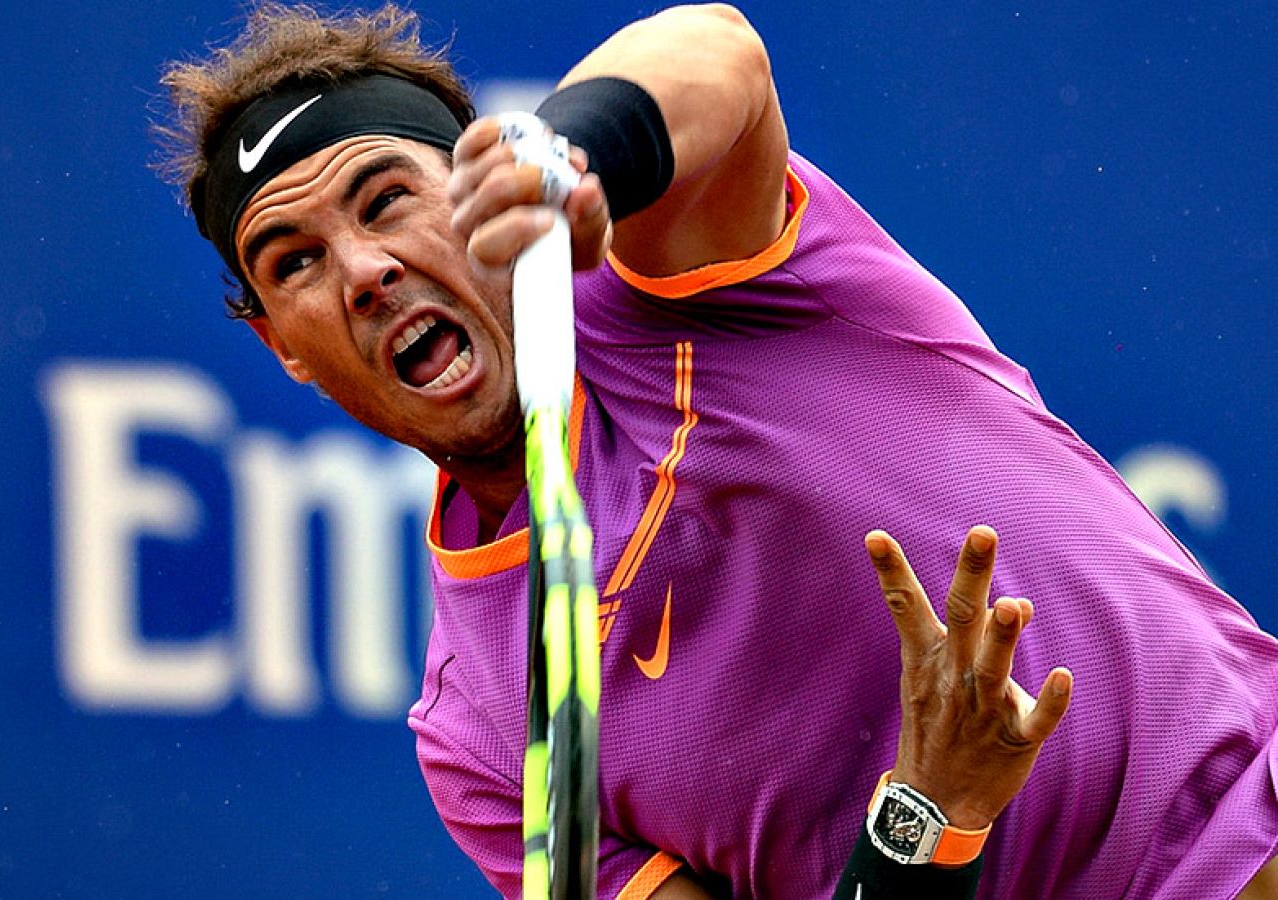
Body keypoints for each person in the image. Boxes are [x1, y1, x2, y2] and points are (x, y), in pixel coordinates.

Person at [155, 3, 1278, 897]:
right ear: (279, 347)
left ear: (475, 186)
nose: (362, 270)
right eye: (292, 260)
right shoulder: (486, 741)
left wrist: (571, 149)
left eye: (388, 199)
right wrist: (930, 821)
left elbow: (717, 53)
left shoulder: (687, 277)